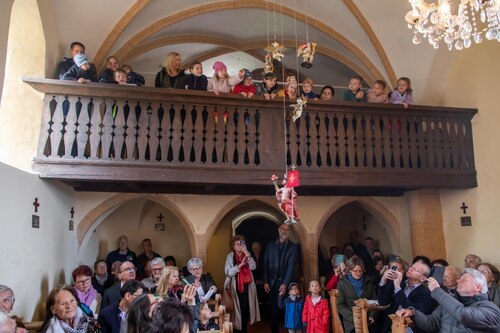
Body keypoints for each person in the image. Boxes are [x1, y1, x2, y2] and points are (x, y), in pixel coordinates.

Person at [396, 268, 500, 332]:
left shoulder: (491, 309)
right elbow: (432, 323)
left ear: (478, 287)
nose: (458, 281)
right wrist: (413, 313)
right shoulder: (451, 301)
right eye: (459, 278)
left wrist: (437, 290)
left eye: (464, 279)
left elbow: (463, 314)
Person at [377, 258, 434, 333]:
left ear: (423, 278)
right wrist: (383, 281)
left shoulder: (426, 293)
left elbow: (414, 313)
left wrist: (397, 288)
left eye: (416, 270)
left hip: (409, 328)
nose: (410, 269)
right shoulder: (401, 282)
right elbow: (382, 302)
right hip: (391, 325)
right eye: (411, 267)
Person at [263, 223, 298, 333]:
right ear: (279, 230)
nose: (285, 231)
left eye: (287, 230)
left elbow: (291, 266)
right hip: (272, 283)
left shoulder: (293, 247)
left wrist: (285, 284)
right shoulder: (270, 245)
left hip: (286, 282)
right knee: (274, 310)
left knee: (288, 309)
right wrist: (265, 281)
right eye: (283, 229)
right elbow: (265, 263)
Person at [224, 235, 260, 333]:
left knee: (245, 310)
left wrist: (247, 253)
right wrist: (240, 265)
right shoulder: (230, 256)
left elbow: (253, 267)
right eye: (237, 244)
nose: (239, 246)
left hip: (248, 287)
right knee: (236, 312)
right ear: (233, 246)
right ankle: (237, 331)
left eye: (241, 243)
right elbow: (228, 273)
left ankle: (244, 330)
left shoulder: (247, 254)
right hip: (234, 288)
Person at [336, 257, 376, 333]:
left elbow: (374, 301)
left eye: (360, 271)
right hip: (351, 322)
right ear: (350, 270)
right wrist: (354, 318)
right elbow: (340, 305)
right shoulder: (342, 283)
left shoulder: (368, 281)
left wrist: (372, 316)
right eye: (355, 271)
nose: (358, 273)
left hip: (368, 320)